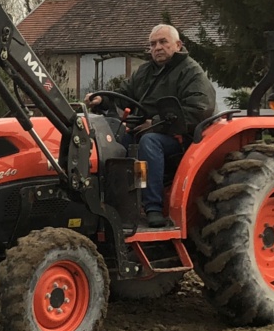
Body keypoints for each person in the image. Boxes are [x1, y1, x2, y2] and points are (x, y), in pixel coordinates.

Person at [85, 24, 215, 228]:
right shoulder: (145, 72)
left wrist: (153, 124)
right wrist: (103, 100)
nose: (157, 47)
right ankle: (113, 202)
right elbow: (124, 95)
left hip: (180, 137)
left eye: (163, 42)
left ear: (178, 45)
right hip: (146, 130)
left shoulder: (191, 72)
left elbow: (198, 110)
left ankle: (152, 207)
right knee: (114, 142)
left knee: (149, 142)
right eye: (153, 44)